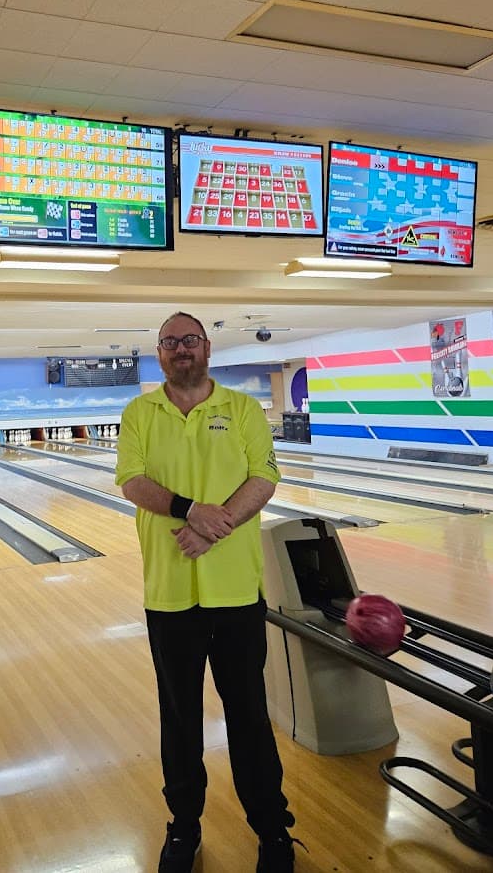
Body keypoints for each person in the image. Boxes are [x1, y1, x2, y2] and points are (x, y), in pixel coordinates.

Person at [115, 312, 298, 873]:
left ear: (207, 346)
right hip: (169, 597)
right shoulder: (139, 412)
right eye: (170, 343)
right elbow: (133, 480)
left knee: (249, 718)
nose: (180, 350)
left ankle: (272, 832)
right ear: (160, 353)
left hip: (237, 592)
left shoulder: (243, 410)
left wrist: (211, 529)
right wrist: (191, 511)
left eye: (188, 340)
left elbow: (263, 479)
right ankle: (183, 829)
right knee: (180, 720)